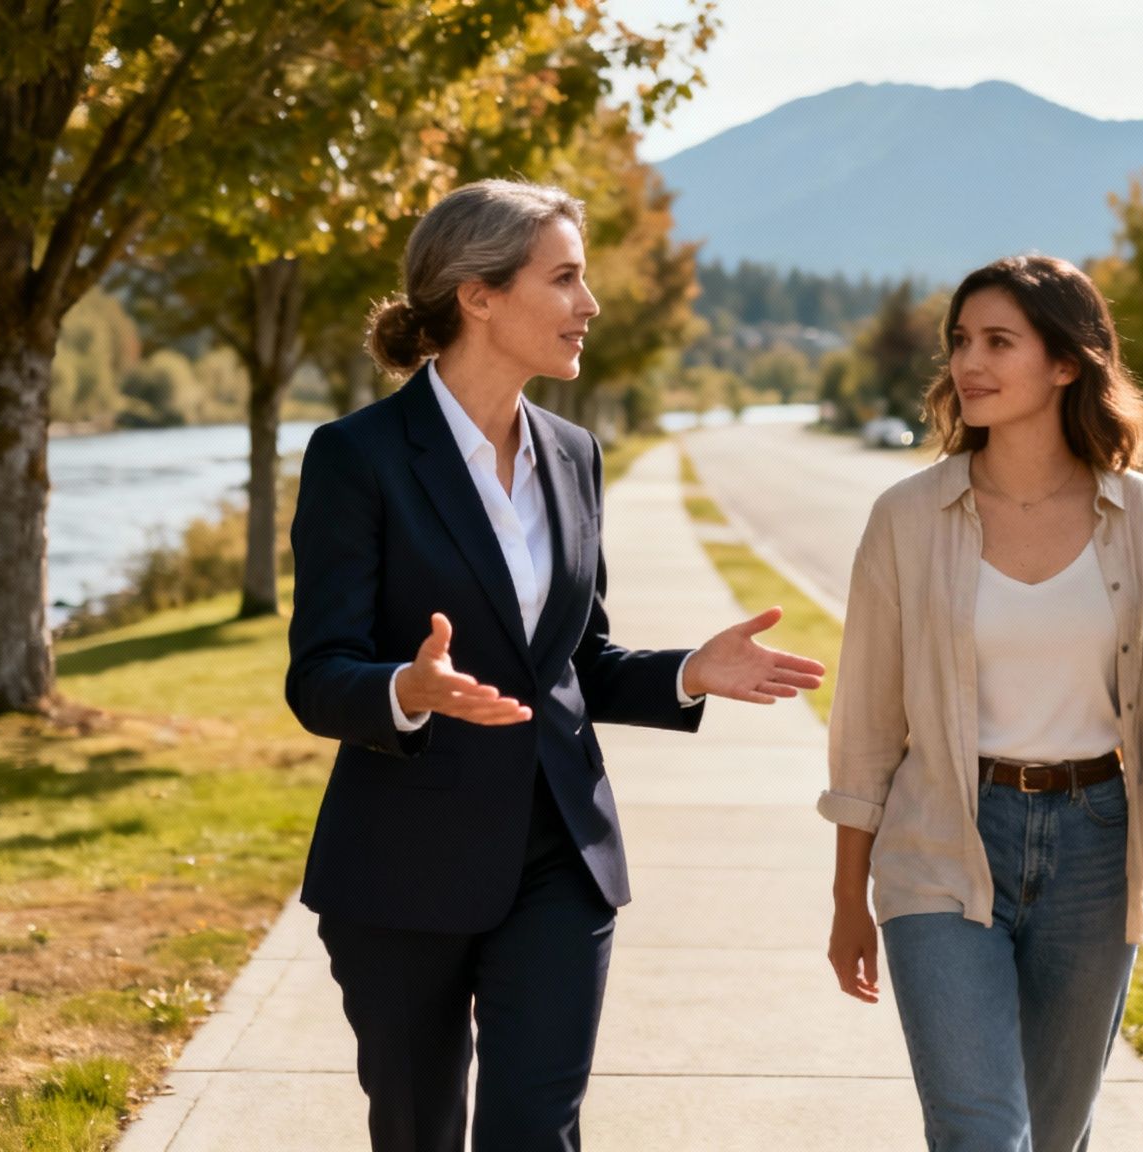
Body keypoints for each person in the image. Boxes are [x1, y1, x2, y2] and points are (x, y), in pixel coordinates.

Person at [284, 178, 826, 1152]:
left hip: (560, 859)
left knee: (535, 1133)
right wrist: (404, 691)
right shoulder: (355, 457)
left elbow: (575, 662)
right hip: (401, 869)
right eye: (565, 278)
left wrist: (686, 672)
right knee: (417, 1132)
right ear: (477, 296)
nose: (591, 304)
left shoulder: (574, 454)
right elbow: (317, 675)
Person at [822, 255, 1143, 1152]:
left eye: (998, 342)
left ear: (1067, 363)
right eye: (960, 342)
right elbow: (868, 726)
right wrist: (846, 903)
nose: (967, 364)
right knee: (981, 1130)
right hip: (945, 834)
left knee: (1055, 1134)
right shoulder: (907, 518)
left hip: (1097, 844)